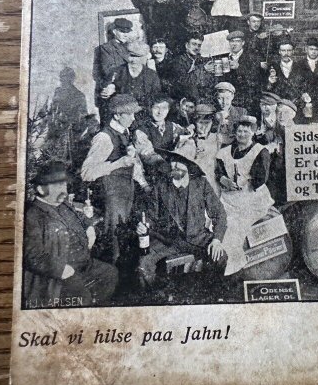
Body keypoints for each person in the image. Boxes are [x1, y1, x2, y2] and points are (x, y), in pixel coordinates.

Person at [23, 162, 117, 308]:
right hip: (57, 274)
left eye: (64, 185)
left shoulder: (64, 204)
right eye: (58, 186)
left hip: (84, 264)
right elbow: (32, 255)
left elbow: (82, 219)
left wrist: (89, 225)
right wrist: (61, 269)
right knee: (81, 297)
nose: (64, 190)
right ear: (41, 189)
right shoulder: (32, 216)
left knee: (109, 273)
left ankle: (95, 309)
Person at [137, 152, 228, 286]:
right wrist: (144, 225)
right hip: (167, 240)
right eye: (172, 162)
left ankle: (210, 293)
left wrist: (216, 240)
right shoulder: (160, 186)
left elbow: (219, 213)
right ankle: (156, 299)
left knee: (220, 257)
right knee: (143, 264)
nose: (174, 166)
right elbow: (151, 216)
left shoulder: (201, 184)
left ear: (189, 166)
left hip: (197, 238)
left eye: (180, 162)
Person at [80, 94, 149, 262]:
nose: (133, 118)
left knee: (130, 240)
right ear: (117, 115)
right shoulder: (103, 138)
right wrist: (117, 164)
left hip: (127, 194)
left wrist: (144, 184)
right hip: (111, 198)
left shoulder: (125, 132)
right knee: (114, 243)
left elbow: (134, 164)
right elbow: (86, 172)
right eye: (129, 114)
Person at [215, 115, 275, 276]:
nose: (242, 134)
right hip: (229, 197)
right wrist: (225, 180)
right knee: (218, 222)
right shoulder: (225, 151)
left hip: (252, 198)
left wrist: (245, 182)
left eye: (246, 131)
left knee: (237, 226)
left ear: (253, 133)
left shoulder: (260, 151)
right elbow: (218, 172)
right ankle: (220, 260)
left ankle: (234, 263)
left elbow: (260, 180)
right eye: (239, 131)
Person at [174, 103, 222, 195]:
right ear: (194, 123)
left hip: (213, 187)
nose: (204, 127)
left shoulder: (218, 139)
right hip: (193, 188)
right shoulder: (187, 140)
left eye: (207, 123)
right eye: (200, 123)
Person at [93, 17, 133, 112]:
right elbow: (109, 71)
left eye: (128, 32)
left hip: (130, 91)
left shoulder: (132, 47)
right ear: (114, 32)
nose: (126, 35)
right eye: (122, 32)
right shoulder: (107, 48)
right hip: (115, 92)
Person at [111, 41, 162, 114]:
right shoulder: (118, 72)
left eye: (138, 56)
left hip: (144, 114)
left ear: (145, 57)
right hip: (122, 113)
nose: (133, 60)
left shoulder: (151, 75)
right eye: (131, 55)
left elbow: (156, 98)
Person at [223, 30, 263, 116]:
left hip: (247, 100)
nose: (234, 44)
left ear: (243, 43)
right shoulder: (224, 58)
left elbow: (256, 79)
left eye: (237, 41)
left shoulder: (252, 57)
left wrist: (239, 68)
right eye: (231, 41)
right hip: (229, 100)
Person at [165, 34, 212, 103]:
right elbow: (183, 81)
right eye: (194, 44)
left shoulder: (202, 60)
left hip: (202, 99)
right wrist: (203, 69)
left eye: (199, 45)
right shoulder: (178, 61)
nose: (196, 48)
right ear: (187, 45)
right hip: (185, 100)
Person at [294, 36, 318, 104]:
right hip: (303, 101)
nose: (313, 52)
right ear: (306, 49)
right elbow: (296, 84)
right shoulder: (298, 64)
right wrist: (302, 94)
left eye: (316, 49)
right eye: (311, 49)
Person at [213, 82, 246, 147]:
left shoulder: (241, 112)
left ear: (232, 97)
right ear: (216, 97)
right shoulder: (211, 113)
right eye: (220, 98)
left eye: (227, 98)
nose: (224, 102)